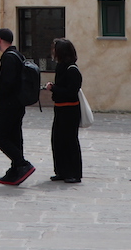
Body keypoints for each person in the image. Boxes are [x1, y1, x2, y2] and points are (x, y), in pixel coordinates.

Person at [0, 27, 34, 185]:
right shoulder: (18, 55)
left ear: (0, 40)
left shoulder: (9, 57)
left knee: (0, 136)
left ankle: (22, 163)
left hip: (8, 104)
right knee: (15, 137)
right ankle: (15, 169)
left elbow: (7, 83)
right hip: (18, 104)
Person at [45, 37, 83, 183]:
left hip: (70, 110)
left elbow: (71, 91)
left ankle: (74, 173)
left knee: (70, 141)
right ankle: (61, 170)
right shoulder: (61, 67)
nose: (53, 52)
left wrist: (53, 88)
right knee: (57, 141)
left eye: (55, 49)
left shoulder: (72, 69)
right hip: (60, 109)